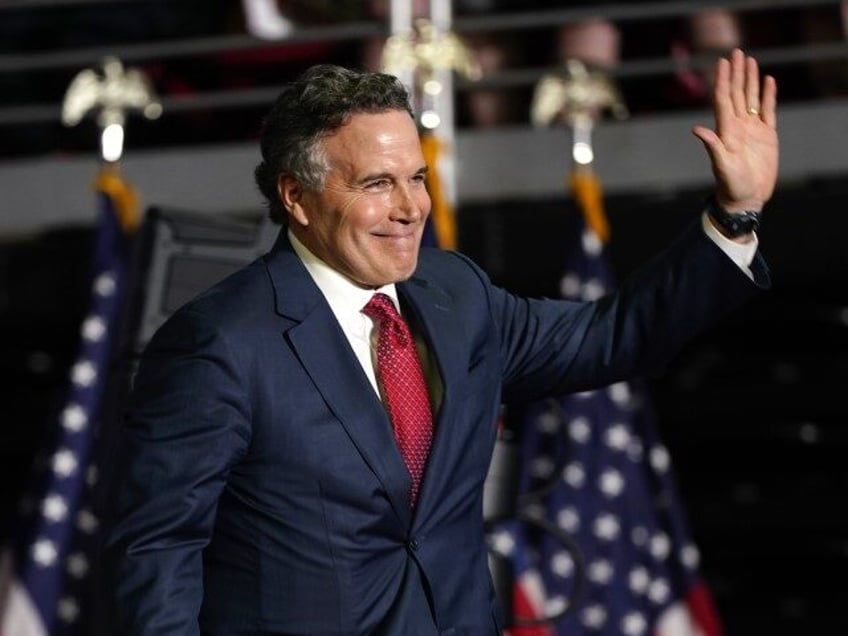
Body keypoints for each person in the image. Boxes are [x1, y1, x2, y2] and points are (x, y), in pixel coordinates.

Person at [102, 48, 778, 634]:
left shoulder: (456, 295)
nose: (410, 208)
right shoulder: (221, 342)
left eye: (417, 178)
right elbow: (157, 548)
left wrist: (734, 216)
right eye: (377, 184)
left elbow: (614, 335)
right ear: (297, 198)